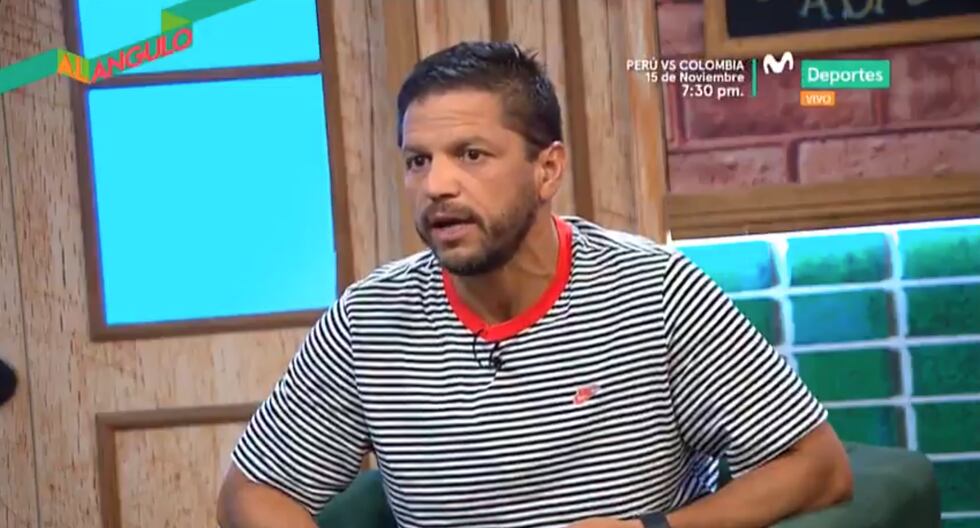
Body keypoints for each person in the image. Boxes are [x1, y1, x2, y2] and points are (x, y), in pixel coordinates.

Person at [217, 41, 853, 528]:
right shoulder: (369, 318)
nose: (436, 185)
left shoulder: (654, 291)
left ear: (547, 169)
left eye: (471, 155)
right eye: (418, 160)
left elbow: (817, 466)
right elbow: (252, 490)